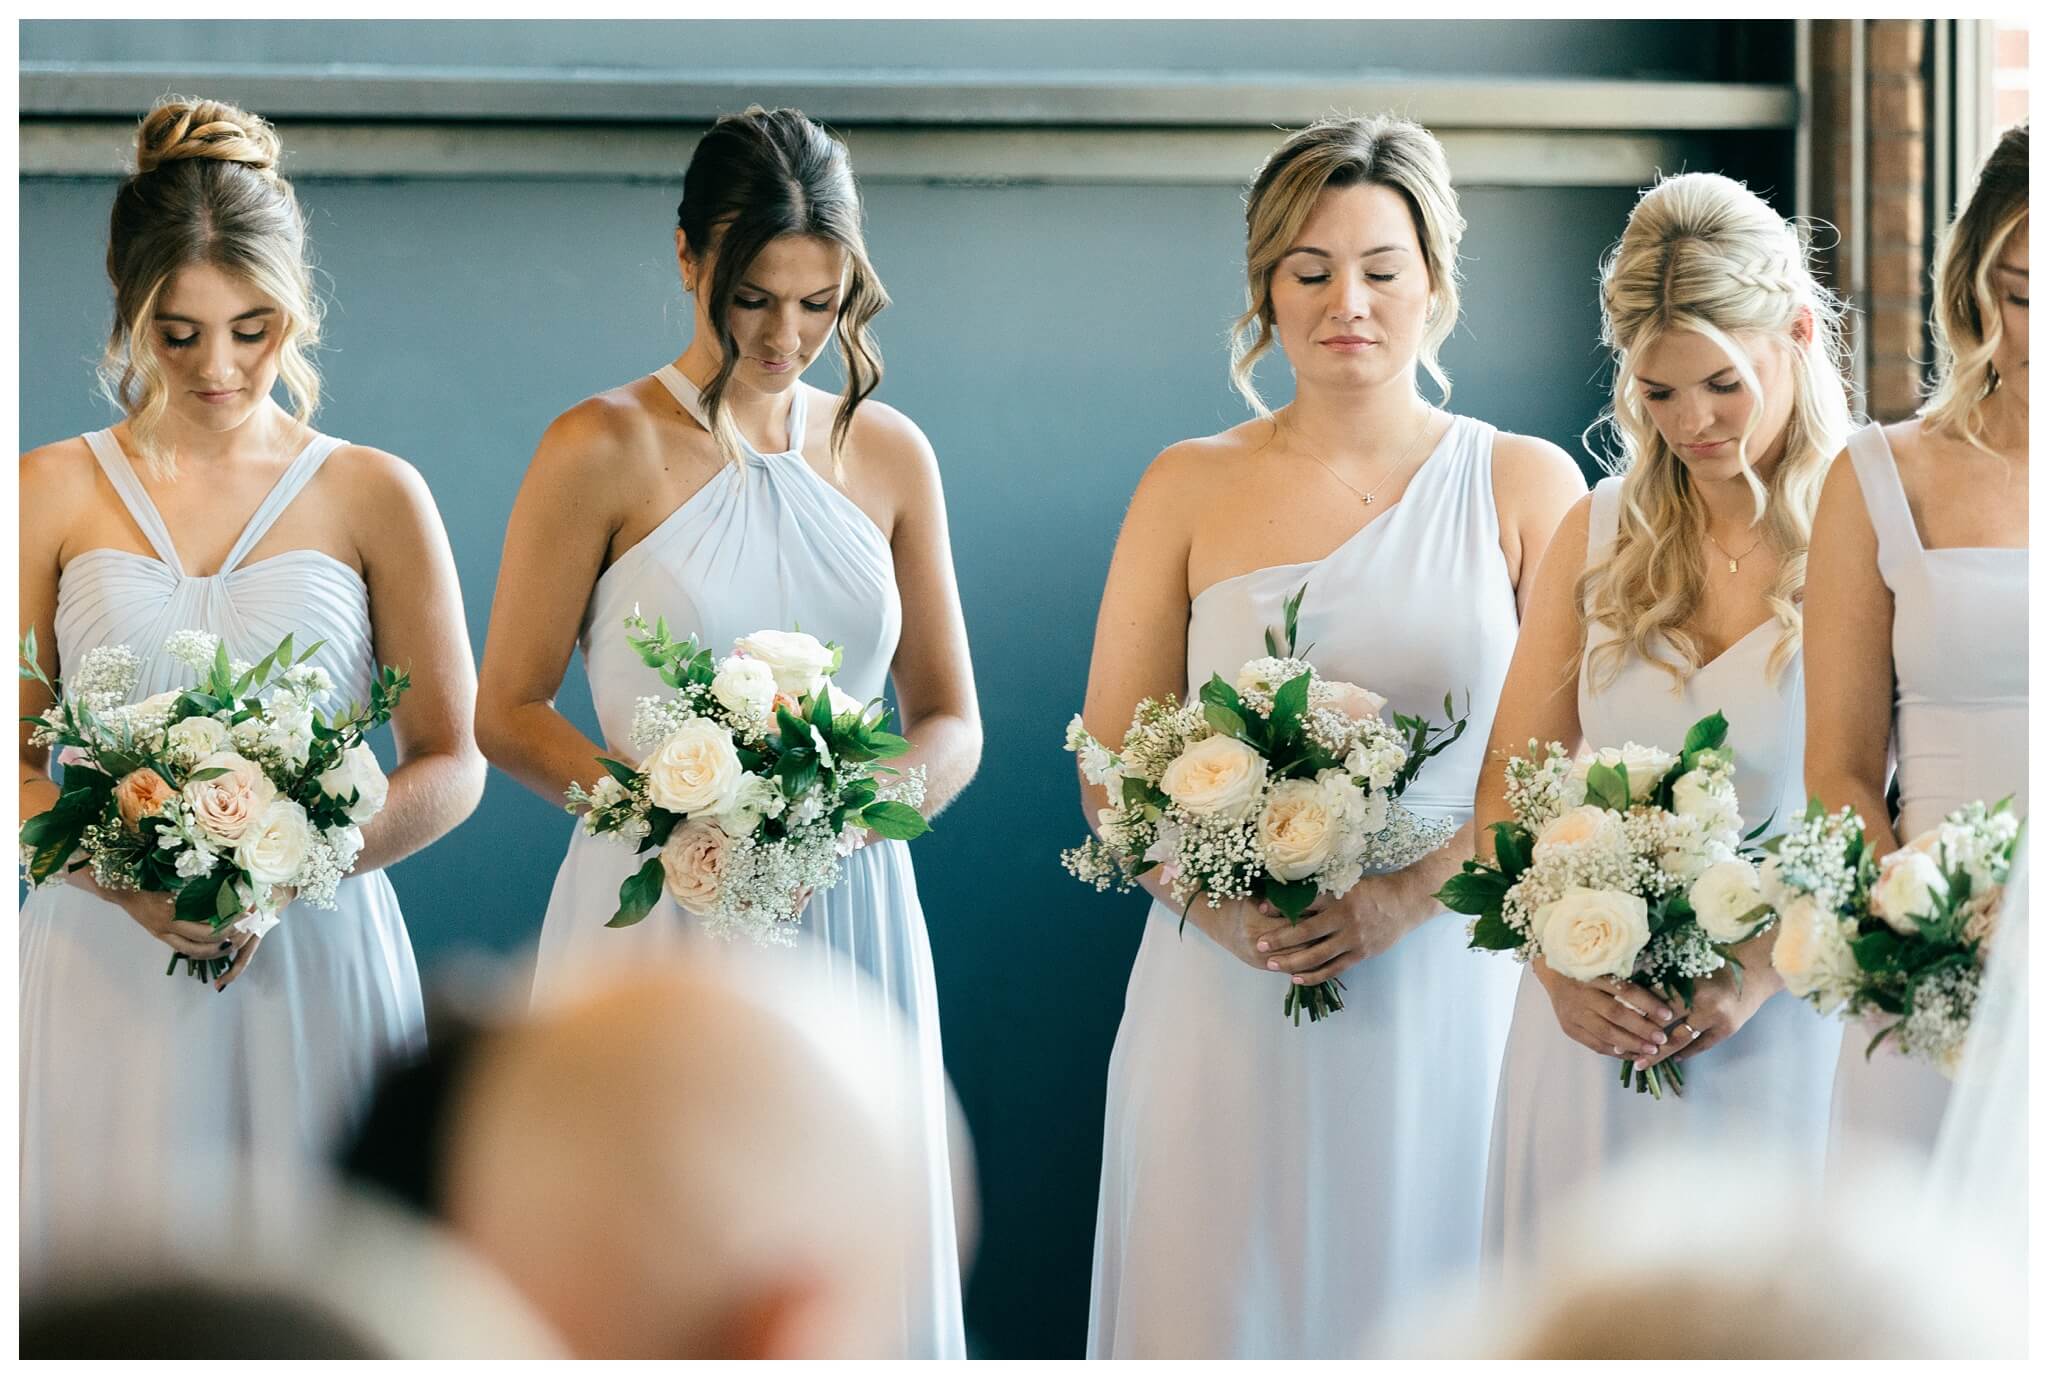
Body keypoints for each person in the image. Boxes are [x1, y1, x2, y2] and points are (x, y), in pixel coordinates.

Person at [472, 105, 978, 1357]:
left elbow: (950, 718)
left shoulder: (890, 453)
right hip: (652, 900)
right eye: (755, 297)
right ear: (690, 255)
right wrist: (671, 814)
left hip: (843, 895)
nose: (786, 337)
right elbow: (506, 709)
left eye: (819, 303)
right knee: (649, 1228)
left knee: (834, 1246)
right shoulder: (598, 444)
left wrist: (848, 816)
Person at [1079, 114, 1585, 1358]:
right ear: (1264, 288)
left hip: (1445, 990)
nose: (1343, 301)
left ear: (1434, 285)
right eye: (1307, 271)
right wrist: (1219, 902)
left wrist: (1398, 900)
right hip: (1222, 990)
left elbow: (1560, 766)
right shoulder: (1182, 484)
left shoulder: (1525, 485)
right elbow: (1107, 765)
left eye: (1378, 268)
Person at [17, 95, 484, 1282]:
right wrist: (122, 881)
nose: (217, 367)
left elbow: (452, 757)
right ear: (128, 313)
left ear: (296, 308)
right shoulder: (48, 491)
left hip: (314, 958)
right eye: (176, 333)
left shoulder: (377, 491)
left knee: (325, 1288)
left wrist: (290, 863)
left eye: (251, 327)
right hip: (99, 961)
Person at [1474, 172, 1853, 1270]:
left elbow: (1890, 800)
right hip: (1591, 1041)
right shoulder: (1594, 533)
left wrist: (1757, 968)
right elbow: (1512, 782)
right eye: (1655, 392)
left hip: (1787, 1032)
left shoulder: (1869, 523)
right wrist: (1554, 963)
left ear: (1794, 332)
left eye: (1721, 384)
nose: (1690, 422)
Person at [1803, 121, 2029, 1169]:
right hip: (1929, 969)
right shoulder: (1877, 474)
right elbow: (1839, 767)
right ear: (1971, 284)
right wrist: (1920, 944)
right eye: (2021, 291)